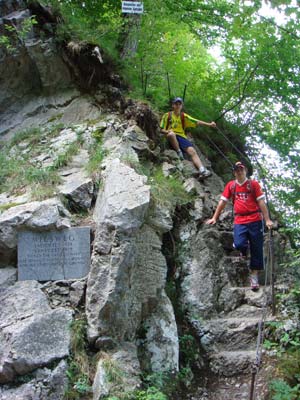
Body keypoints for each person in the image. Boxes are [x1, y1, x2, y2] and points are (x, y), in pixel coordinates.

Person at [206, 161, 273, 290]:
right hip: (240, 220)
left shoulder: (253, 184)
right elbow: (222, 202)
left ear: (245, 170)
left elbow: (261, 202)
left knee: (257, 248)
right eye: (237, 170)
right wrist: (214, 217)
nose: (239, 172)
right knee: (239, 243)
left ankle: (254, 277)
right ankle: (243, 251)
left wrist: (267, 219)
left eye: (241, 169)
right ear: (234, 172)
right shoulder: (231, 186)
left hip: (255, 219)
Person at [160, 97, 216, 178]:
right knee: (171, 134)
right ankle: (179, 153)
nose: (178, 106)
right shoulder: (167, 115)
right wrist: (167, 131)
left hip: (181, 137)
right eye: (176, 104)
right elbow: (161, 129)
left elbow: (196, 121)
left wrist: (209, 124)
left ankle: (202, 170)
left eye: (180, 104)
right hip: (170, 136)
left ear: (181, 106)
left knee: (192, 151)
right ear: (173, 105)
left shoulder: (183, 116)